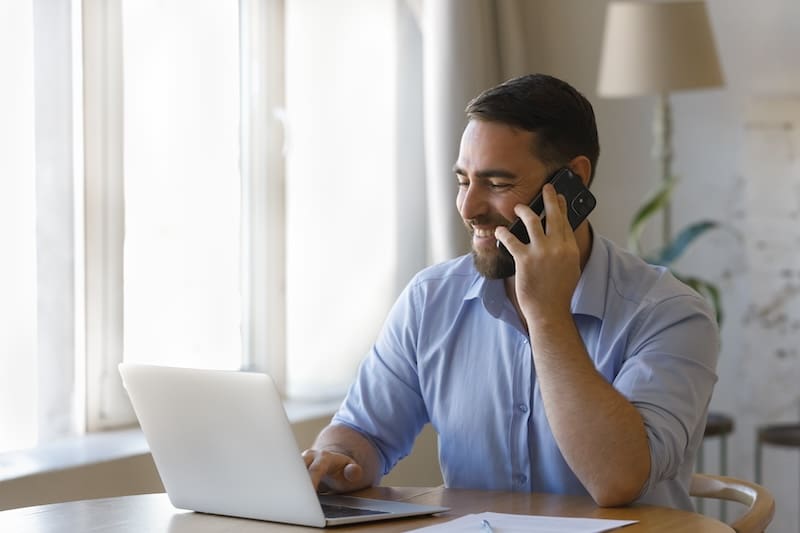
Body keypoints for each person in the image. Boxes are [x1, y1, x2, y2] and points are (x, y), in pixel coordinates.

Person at [301, 73, 719, 510]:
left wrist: (547, 315)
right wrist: (335, 458)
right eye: (463, 181)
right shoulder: (431, 300)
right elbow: (364, 432)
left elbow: (617, 480)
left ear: (572, 181)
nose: (468, 208)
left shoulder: (669, 314)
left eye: (497, 184)